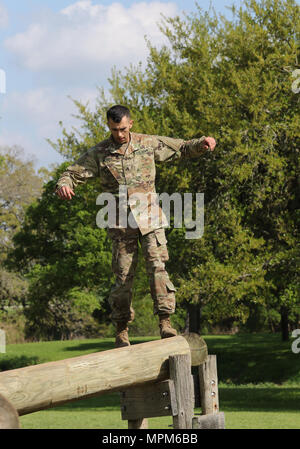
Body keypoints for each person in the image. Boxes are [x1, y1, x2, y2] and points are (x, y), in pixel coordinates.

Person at [56, 105, 216, 347]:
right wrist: (64, 184)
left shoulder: (147, 143)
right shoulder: (100, 153)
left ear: (130, 123)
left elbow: (182, 147)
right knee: (122, 279)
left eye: (122, 129)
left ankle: (165, 323)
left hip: (151, 220)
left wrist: (202, 143)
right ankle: (121, 330)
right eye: (113, 129)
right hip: (120, 225)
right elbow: (72, 173)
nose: (119, 134)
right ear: (108, 126)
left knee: (158, 269)